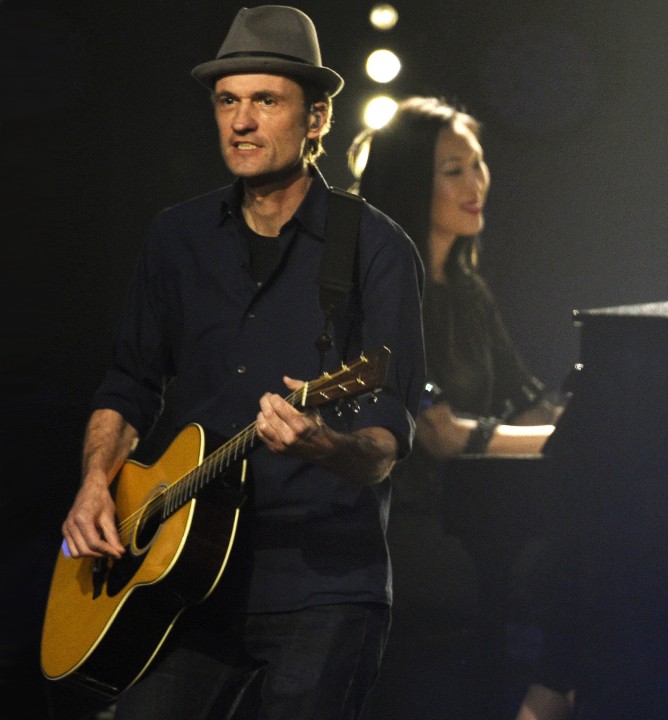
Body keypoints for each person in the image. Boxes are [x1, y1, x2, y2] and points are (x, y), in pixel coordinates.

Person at [52, 6, 426, 719]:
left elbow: (383, 445)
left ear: (316, 120)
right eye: (228, 101)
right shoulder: (176, 237)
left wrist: (325, 444)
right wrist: (95, 482)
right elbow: (128, 384)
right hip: (179, 580)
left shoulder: (374, 249)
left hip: (321, 587)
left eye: (265, 100)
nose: (242, 121)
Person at [347, 96, 567, 719]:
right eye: (453, 170)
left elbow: (525, 400)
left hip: (466, 511)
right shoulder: (385, 287)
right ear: (411, 181)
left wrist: (591, 409)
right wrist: (566, 439)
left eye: (478, 165)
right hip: (400, 521)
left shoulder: (466, 290)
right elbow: (436, 432)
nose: (476, 185)